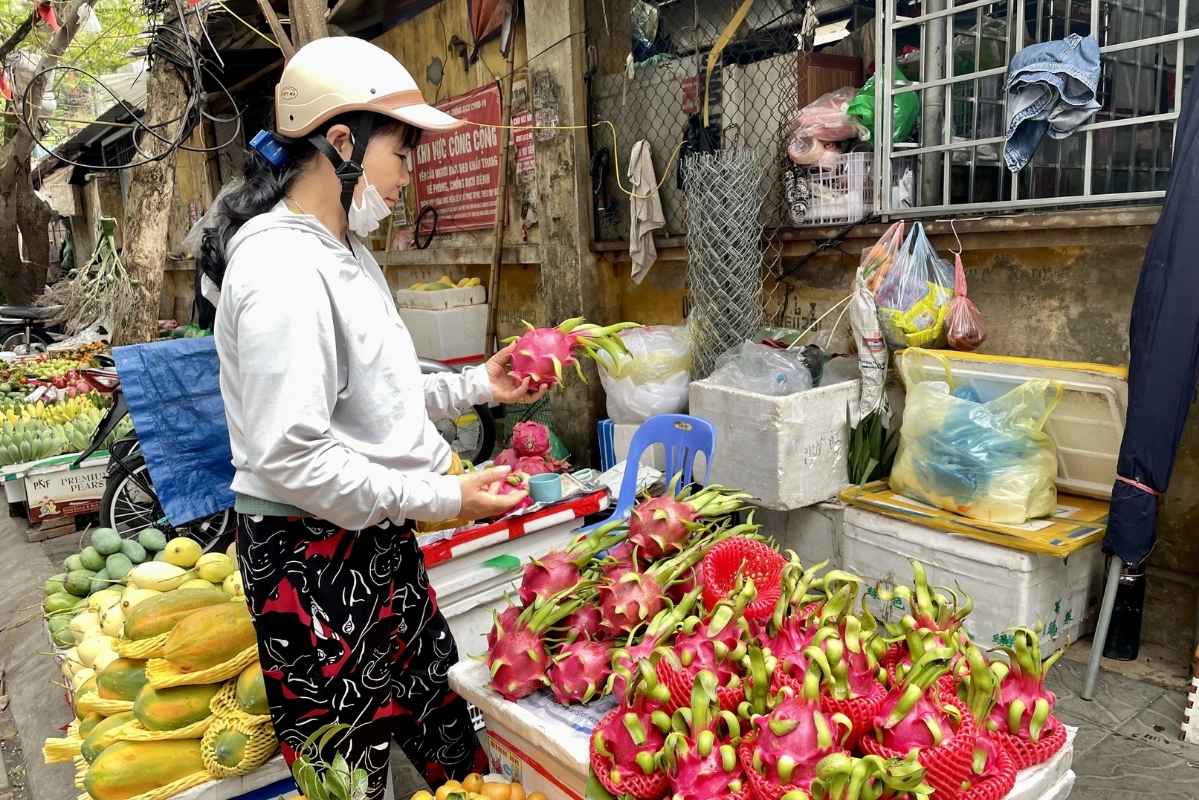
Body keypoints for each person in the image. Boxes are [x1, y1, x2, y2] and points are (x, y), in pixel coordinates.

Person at [199, 37, 544, 797]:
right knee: (349, 774)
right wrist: (445, 499)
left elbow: (377, 392)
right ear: (341, 142)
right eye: (401, 151)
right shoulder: (281, 271)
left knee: (447, 731)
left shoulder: (345, 250)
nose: (406, 175)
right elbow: (294, 457)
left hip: (373, 539)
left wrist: (475, 385)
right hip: (308, 558)